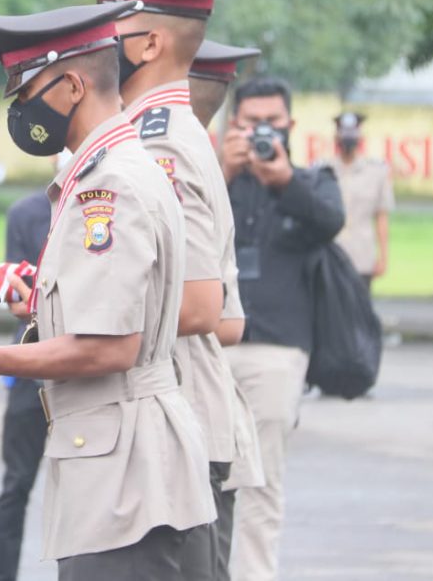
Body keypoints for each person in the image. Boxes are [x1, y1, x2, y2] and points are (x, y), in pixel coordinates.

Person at [0, 1, 215, 579]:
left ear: (73, 85)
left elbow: (108, 346)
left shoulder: (108, 187)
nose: (20, 109)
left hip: (127, 480)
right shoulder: (108, 172)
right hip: (128, 466)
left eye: (26, 92)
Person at [93, 0, 240, 580]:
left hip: (166, 424)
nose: (95, 43)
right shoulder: (152, 134)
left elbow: (203, 304)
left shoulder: (162, 146)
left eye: (109, 29)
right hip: (158, 420)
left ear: (149, 44)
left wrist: (79, 314)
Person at [221, 76, 345, 581]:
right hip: (208, 345)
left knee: (260, 485)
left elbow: (331, 220)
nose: (263, 133)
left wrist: (284, 180)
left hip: (277, 352)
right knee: (196, 482)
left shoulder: (313, 180)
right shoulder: (209, 178)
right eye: (252, 123)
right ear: (234, 125)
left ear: (291, 124)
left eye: (273, 122)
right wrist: (220, 174)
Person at [189, 39, 267, 573]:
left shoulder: (176, 166)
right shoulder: (207, 168)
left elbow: (221, 319)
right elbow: (230, 319)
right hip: (202, 415)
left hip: (188, 417)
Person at [0, 173, 52, 581]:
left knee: (85, 491)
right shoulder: (26, 213)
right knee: (16, 486)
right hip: (30, 364)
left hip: (83, 368)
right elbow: (17, 293)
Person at [328, 112, 394, 287]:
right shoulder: (324, 171)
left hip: (362, 256)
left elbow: (381, 217)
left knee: (360, 311)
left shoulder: (376, 171)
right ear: (336, 136)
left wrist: (383, 256)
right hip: (331, 255)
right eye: (343, 133)